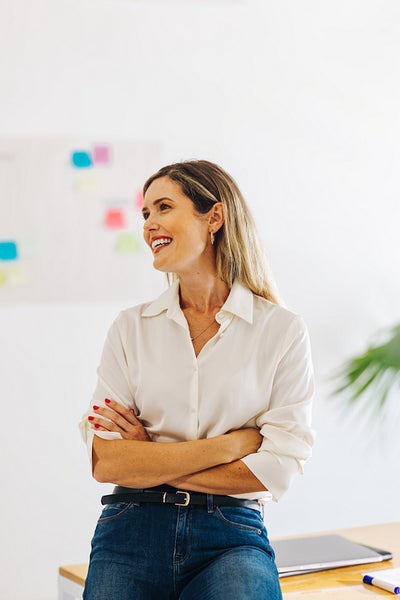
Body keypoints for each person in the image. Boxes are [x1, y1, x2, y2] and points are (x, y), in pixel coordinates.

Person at [79, 160, 315, 600]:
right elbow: (108, 462)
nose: (149, 224)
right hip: (130, 525)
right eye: (145, 213)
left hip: (231, 534)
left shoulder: (280, 331)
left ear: (215, 217)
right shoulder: (131, 328)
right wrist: (230, 445)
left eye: (163, 207)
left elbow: (276, 468)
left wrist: (151, 458)